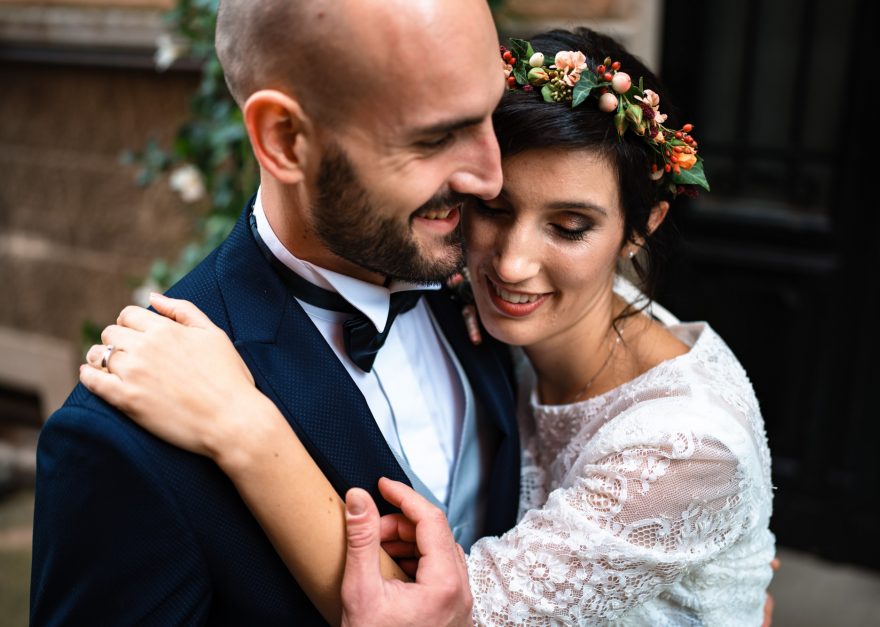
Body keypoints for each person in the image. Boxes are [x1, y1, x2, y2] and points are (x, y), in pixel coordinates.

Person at [79, 28, 776, 625]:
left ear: (641, 228)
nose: (511, 262)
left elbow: (432, 613)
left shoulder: (688, 442)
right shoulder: (479, 299)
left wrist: (243, 425)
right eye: (496, 208)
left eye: (570, 226)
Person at [30, 1, 520, 625]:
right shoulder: (120, 444)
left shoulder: (500, 276)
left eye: (491, 115)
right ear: (285, 140)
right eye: (433, 138)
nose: (491, 178)